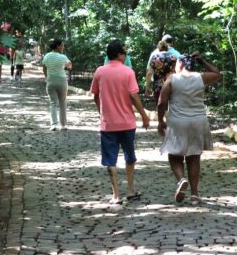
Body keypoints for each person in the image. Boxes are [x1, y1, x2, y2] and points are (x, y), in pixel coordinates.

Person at [91, 39, 151, 204]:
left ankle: (115, 195)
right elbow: (134, 95)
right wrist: (144, 116)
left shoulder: (99, 72)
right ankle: (131, 189)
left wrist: (101, 112)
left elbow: (95, 95)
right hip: (127, 123)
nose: (125, 55)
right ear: (119, 54)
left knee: (110, 159)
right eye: (124, 53)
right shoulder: (128, 72)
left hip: (108, 124)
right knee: (129, 156)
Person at [158, 52, 222, 204]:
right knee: (194, 157)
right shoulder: (201, 77)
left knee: (174, 155)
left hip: (178, 122)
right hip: (198, 122)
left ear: (180, 64)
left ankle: (181, 180)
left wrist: (161, 121)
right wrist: (202, 60)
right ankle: (194, 195)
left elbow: (162, 102)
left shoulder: (172, 79)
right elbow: (217, 73)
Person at [42, 39, 72, 131]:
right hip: (62, 80)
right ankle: (63, 125)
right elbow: (70, 65)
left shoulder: (46, 56)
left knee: (53, 103)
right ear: (58, 46)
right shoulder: (62, 57)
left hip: (50, 80)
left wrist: (48, 77)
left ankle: (54, 124)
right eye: (62, 45)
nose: (63, 47)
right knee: (62, 102)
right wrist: (65, 67)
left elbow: (44, 68)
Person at [145, 34, 180, 99]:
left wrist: (148, 86)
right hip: (172, 85)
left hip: (158, 87)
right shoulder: (176, 56)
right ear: (172, 43)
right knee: (172, 106)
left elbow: (149, 72)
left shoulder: (154, 55)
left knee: (160, 106)